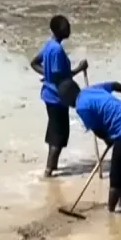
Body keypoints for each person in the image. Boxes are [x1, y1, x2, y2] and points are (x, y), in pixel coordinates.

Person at [57, 78, 121, 212]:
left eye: (63, 100)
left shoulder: (81, 106)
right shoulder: (92, 90)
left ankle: (110, 211)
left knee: (115, 176)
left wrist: (107, 139)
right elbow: (115, 85)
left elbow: (96, 128)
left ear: (68, 98)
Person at [29, 15, 88, 178]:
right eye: (66, 27)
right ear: (59, 30)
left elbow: (34, 63)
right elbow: (59, 77)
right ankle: (48, 171)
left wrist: (46, 74)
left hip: (49, 95)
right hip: (57, 97)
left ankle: (52, 165)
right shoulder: (56, 50)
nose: (69, 29)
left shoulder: (49, 45)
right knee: (59, 134)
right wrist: (78, 68)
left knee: (55, 131)